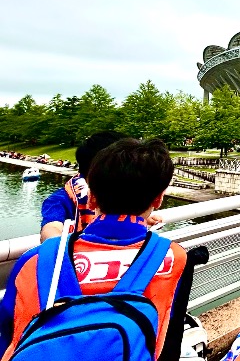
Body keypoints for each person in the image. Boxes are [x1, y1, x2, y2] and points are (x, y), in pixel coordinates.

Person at [0, 138, 208, 361]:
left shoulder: (36, 260)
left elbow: (7, 334)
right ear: (158, 199)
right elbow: (169, 340)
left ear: (91, 197)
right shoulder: (174, 259)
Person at [40, 131, 128, 241]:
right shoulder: (61, 200)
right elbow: (51, 227)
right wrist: (63, 248)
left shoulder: (124, 193)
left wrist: (142, 219)